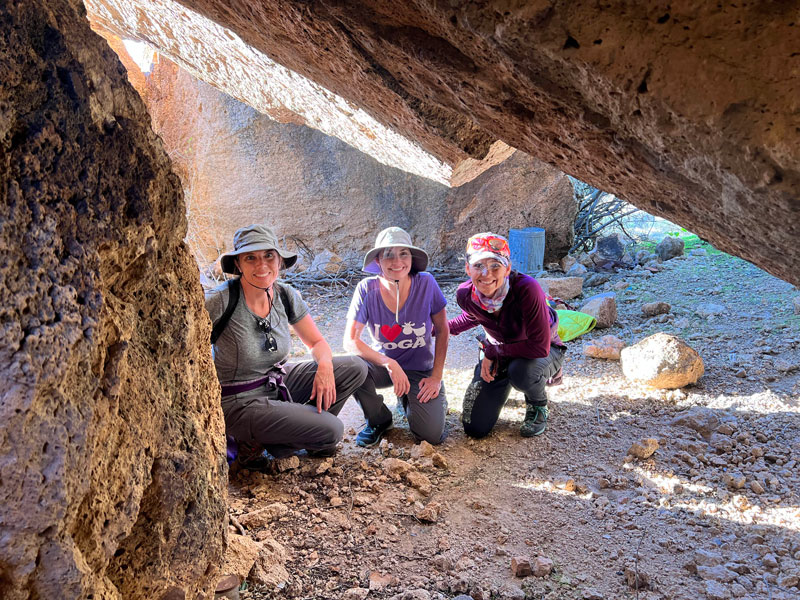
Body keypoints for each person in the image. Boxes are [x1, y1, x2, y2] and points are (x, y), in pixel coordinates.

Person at [206, 224, 367, 469]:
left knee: (354, 367)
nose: (262, 265)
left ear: (279, 260)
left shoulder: (284, 295)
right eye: (251, 257)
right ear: (238, 264)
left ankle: (288, 437)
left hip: (275, 382)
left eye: (269, 256)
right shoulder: (221, 300)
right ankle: (266, 440)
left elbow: (317, 342)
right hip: (240, 402)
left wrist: (324, 365)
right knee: (333, 430)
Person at [448, 232, 566, 438]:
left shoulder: (526, 289)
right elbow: (473, 317)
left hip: (538, 351)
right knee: (475, 427)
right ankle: (506, 380)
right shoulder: (465, 295)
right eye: (478, 266)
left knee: (522, 373)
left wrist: (492, 352)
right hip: (501, 350)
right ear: (468, 268)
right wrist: (433, 329)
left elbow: (539, 346)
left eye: (495, 265)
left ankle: (538, 404)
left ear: (508, 268)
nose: (486, 274)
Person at [344, 227, 449, 447]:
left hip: (420, 369)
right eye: (388, 254)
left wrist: (436, 375)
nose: (396, 261)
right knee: (352, 368)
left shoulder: (426, 283)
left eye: (403, 253)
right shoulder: (366, 289)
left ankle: (413, 398)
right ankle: (378, 419)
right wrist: (389, 362)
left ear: (411, 258)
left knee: (430, 436)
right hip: (384, 368)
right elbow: (350, 340)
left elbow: (442, 329)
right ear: (378, 261)